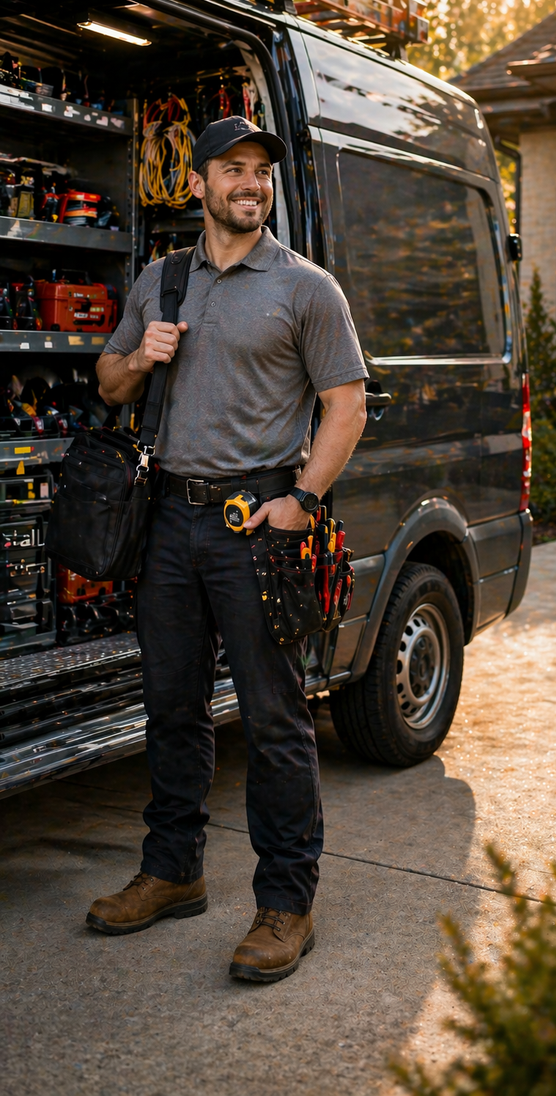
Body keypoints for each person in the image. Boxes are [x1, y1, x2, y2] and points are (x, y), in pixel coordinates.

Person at [87, 115, 368, 982]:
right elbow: (107, 382)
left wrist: (301, 502)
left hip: (256, 523)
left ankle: (287, 903)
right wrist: (140, 356)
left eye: (261, 172)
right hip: (169, 521)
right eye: (233, 169)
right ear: (200, 183)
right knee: (171, 706)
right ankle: (174, 871)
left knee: (276, 720)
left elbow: (346, 405)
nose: (251, 183)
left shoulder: (306, 287)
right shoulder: (163, 279)